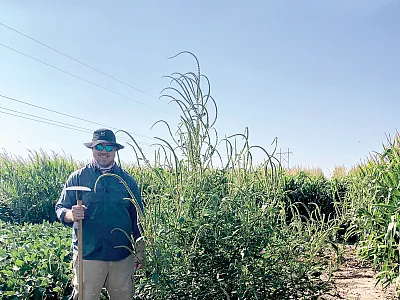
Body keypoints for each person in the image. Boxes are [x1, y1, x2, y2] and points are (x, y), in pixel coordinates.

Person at [55, 128, 144, 300]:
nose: (104, 152)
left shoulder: (127, 181)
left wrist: (140, 251)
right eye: (99, 147)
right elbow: (60, 208)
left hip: (121, 256)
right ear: (92, 149)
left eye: (110, 148)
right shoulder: (77, 178)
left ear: (116, 151)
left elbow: (138, 218)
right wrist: (71, 215)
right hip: (88, 254)